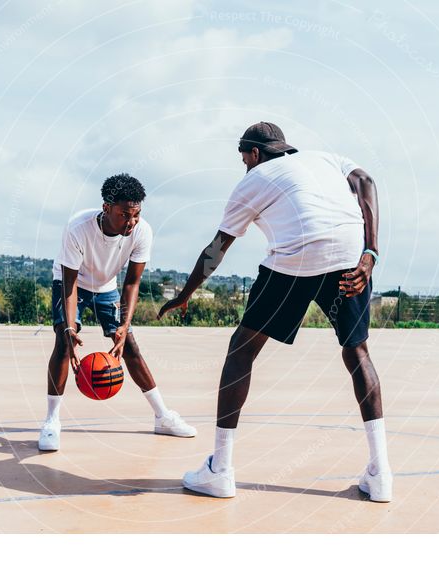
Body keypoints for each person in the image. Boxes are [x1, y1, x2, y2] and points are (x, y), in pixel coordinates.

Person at [158, 122, 391, 501]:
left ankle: (220, 470)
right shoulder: (326, 158)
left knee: (242, 349)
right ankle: (381, 476)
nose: (244, 166)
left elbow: (217, 249)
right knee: (357, 352)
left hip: (298, 256)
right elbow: (365, 179)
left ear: (253, 154)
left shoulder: (255, 178)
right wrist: (371, 252)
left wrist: (185, 294)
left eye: (243, 159)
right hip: (351, 254)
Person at [39, 173, 196, 451]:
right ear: (106, 207)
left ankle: (163, 416)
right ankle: (51, 422)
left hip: (107, 285)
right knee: (64, 343)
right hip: (70, 283)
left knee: (130, 345)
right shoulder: (78, 228)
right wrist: (68, 328)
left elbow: (132, 283)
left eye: (136, 214)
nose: (131, 221)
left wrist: (125, 324)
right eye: (125, 215)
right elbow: (70, 285)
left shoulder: (141, 231)